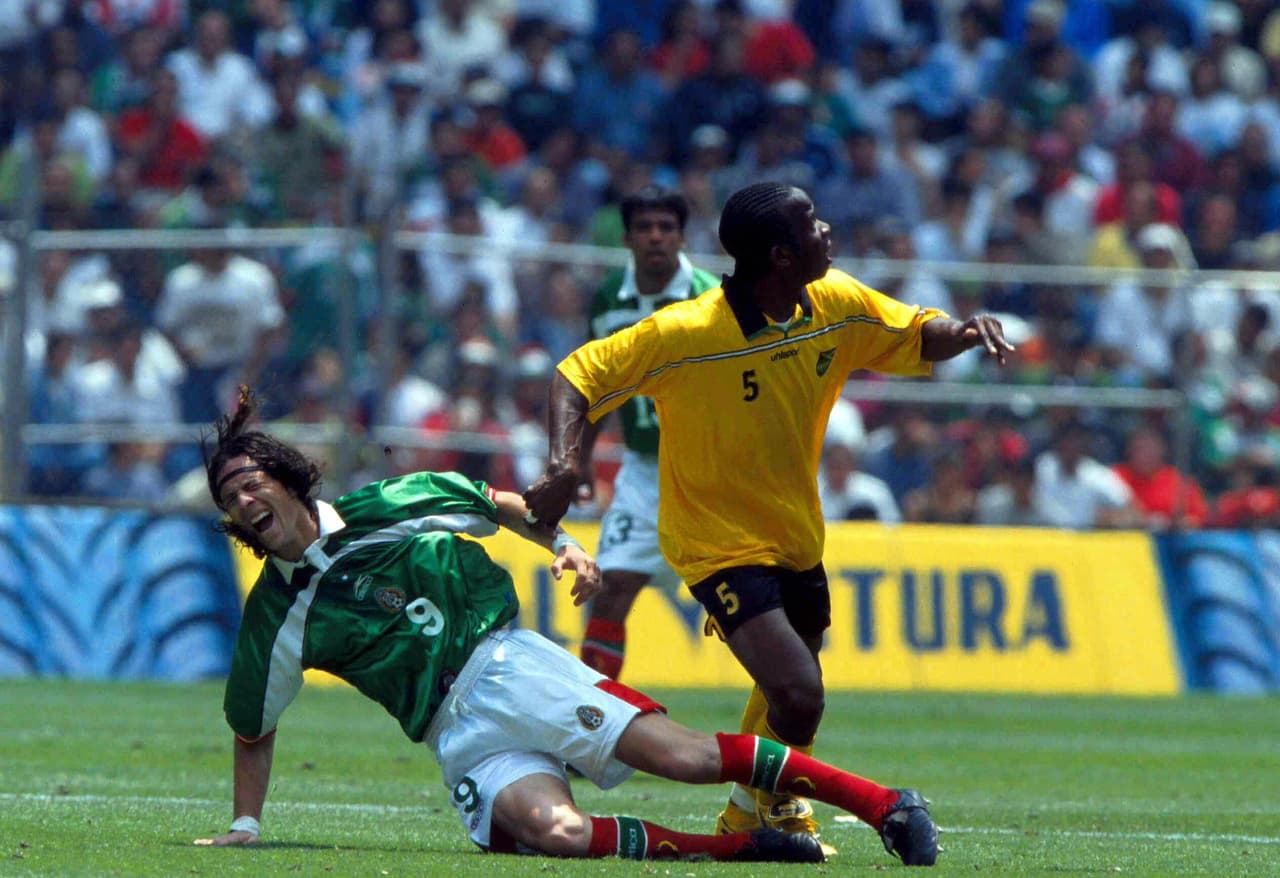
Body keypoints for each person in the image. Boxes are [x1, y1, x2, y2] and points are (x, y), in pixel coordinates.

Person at [194, 388, 939, 867]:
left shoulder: (388, 504)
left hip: (507, 667)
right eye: (230, 499)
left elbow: (498, 506)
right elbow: (253, 729)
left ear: (283, 477)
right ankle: (747, 849)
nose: (244, 501)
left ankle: (885, 805)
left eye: (250, 482)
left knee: (684, 758)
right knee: (559, 835)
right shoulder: (274, 615)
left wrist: (564, 545)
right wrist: (247, 827)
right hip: (453, 734)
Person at [524, 181, 1011, 847]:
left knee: (788, 692)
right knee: (800, 692)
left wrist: (965, 331)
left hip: (794, 532)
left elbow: (914, 333)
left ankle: (747, 815)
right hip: (714, 540)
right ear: (781, 255)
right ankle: (775, 804)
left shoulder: (833, 301)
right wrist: (564, 463)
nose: (827, 231)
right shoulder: (689, 331)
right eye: (812, 224)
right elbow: (577, 374)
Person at [575, 185, 720, 681]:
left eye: (666, 227)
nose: (656, 237)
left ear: (682, 237)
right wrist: (580, 459)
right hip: (644, 470)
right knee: (609, 588)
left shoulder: (711, 296)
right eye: (645, 227)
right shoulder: (608, 300)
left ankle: (780, 710)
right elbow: (596, 384)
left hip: (712, 471)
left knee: (745, 601)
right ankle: (594, 714)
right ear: (627, 238)